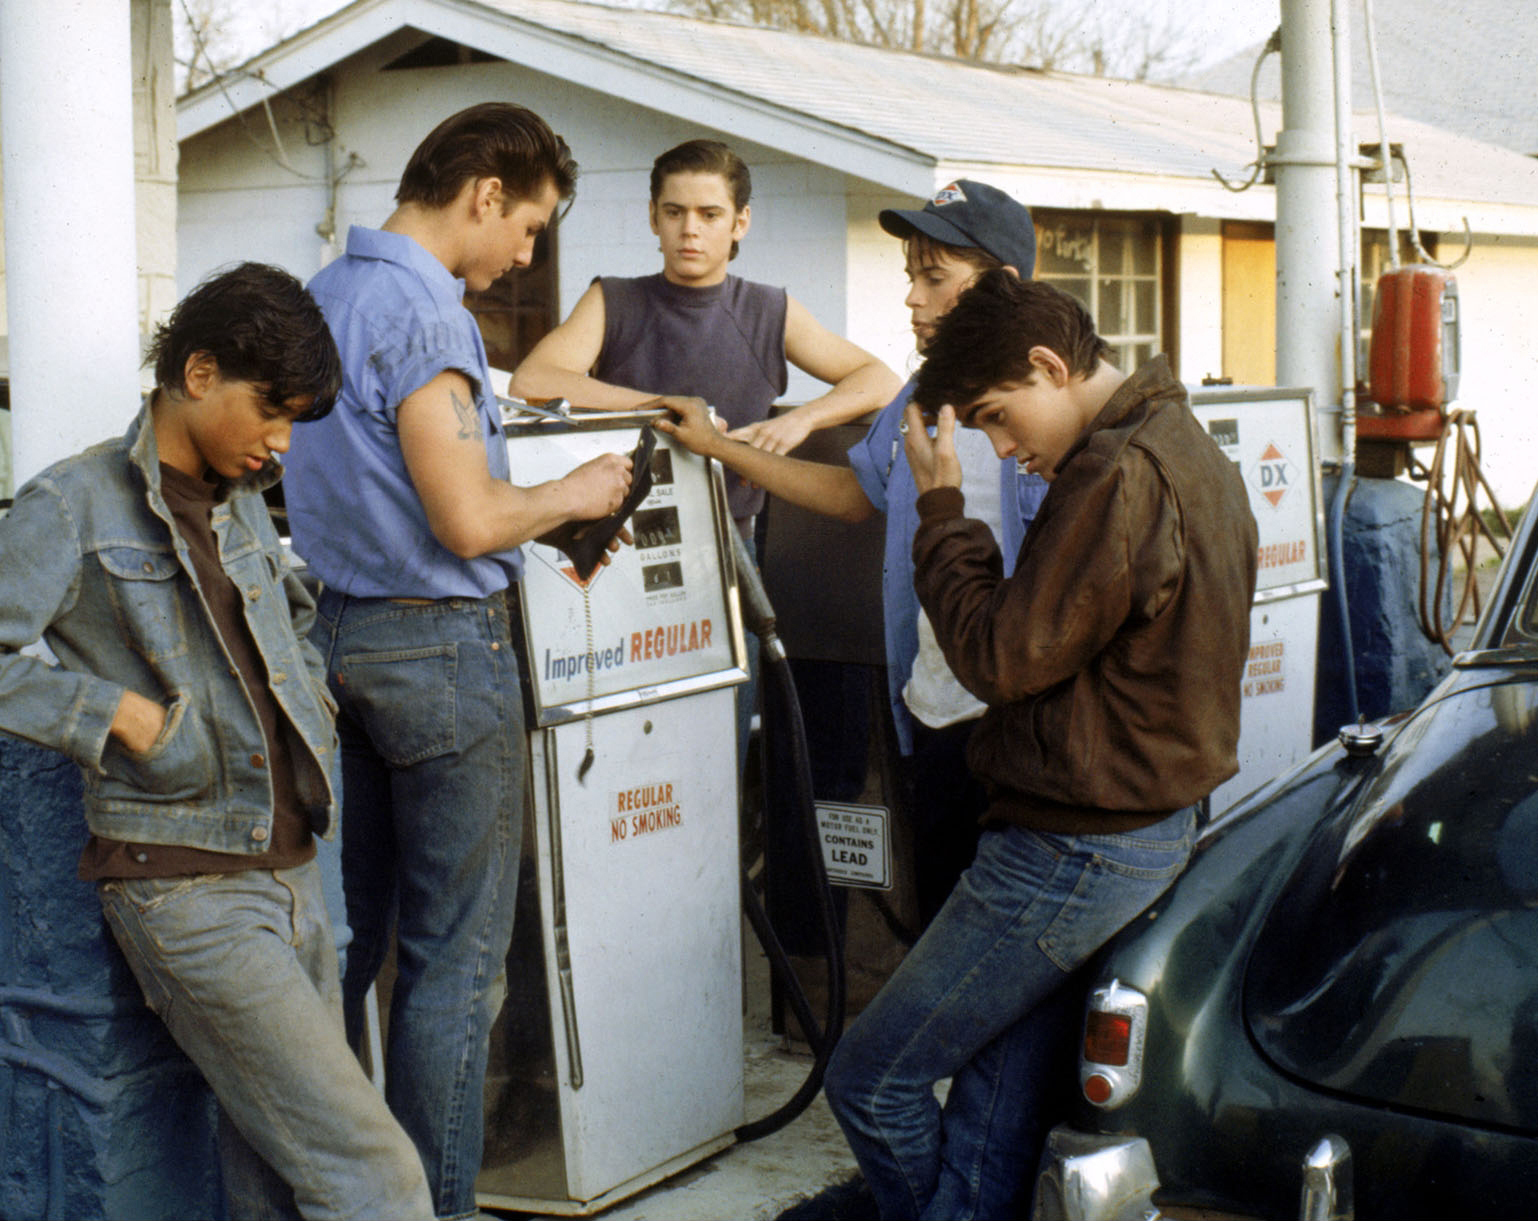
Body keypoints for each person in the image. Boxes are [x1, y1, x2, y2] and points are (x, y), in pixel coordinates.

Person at [0, 263, 434, 1219]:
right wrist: (112, 711)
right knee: (374, 1174)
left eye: (294, 423)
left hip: (293, 869)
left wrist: (309, 688)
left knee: (276, 1180)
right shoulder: (74, 505)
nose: (279, 443)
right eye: (269, 412)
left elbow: (291, 618)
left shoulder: (236, 503)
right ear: (198, 372)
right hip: (187, 887)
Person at [821, 269, 1259, 1219]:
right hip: (1137, 828)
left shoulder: (1116, 476)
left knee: (870, 1079)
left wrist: (942, 513)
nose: (1001, 447)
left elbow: (998, 655)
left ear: (1050, 365)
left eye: (997, 416)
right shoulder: (1179, 445)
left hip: (1068, 848)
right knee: (987, 1123)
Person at [283, 102, 632, 1220]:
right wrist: (578, 495)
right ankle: (431, 1207)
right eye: (527, 229)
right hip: (439, 648)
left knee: (345, 949)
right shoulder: (426, 316)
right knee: (452, 969)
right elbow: (471, 520)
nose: (524, 256)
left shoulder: (324, 297)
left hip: (334, 635)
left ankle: (335, 1194)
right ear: (485, 194)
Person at [655, 179, 1043, 921]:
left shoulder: (1054, 410)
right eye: (910, 278)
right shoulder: (921, 397)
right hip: (932, 710)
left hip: (1020, 729)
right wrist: (720, 449)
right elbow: (851, 494)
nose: (913, 300)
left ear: (1007, 286)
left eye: (936, 280)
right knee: (937, 927)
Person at [512, 138, 897, 785]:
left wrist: (798, 419)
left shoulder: (767, 309)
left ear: (740, 222)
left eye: (710, 214)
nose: (690, 229)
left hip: (728, 556)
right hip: (620, 558)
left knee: (718, 754)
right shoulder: (617, 298)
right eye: (674, 211)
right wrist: (663, 406)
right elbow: (533, 378)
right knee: (618, 758)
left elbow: (878, 377)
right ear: (653, 216)